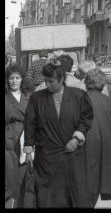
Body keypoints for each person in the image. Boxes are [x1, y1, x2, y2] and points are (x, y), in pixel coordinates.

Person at [23, 61, 93, 208]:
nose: (47, 85)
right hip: (47, 158)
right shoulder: (37, 98)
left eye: (51, 81)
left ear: (61, 80)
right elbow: (30, 124)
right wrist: (28, 149)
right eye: (45, 81)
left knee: (76, 195)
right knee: (49, 198)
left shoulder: (79, 96)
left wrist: (77, 137)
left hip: (73, 155)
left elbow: (86, 118)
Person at [82, 69, 111, 208]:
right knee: (99, 184)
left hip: (83, 145)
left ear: (86, 82)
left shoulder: (79, 99)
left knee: (85, 184)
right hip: (105, 147)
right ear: (102, 84)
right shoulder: (109, 101)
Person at [5, 64, 29, 208]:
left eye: (17, 78)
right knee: (10, 178)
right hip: (9, 141)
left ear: (22, 80)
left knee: (23, 177)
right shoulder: (6, 98)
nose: (14, 81)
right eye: (11, 78)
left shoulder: (28, 97)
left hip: (26, 138)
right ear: (7, 80)